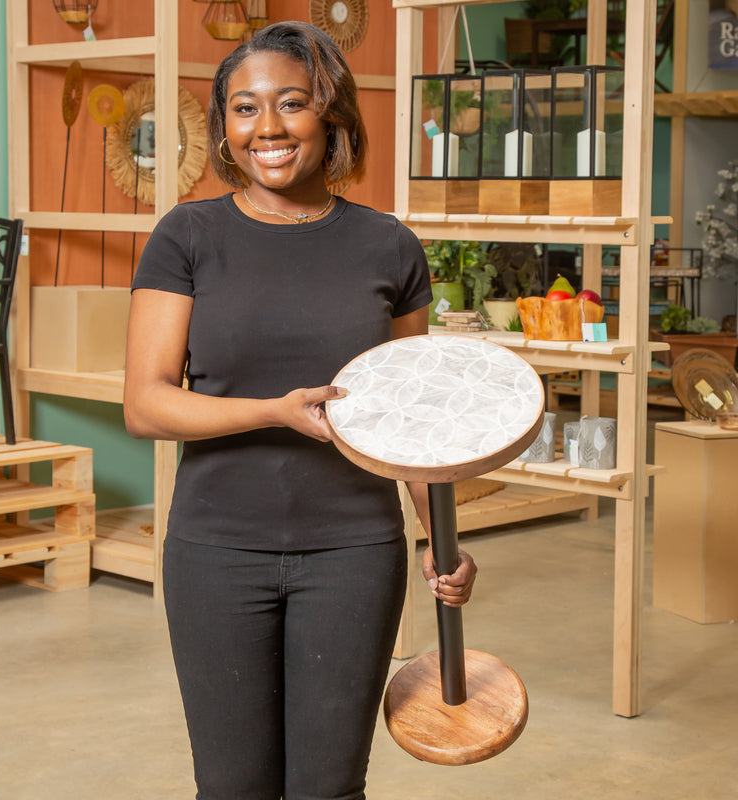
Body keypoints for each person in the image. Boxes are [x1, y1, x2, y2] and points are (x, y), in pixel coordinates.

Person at [124, 20, 476, 800]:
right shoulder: (188, 235)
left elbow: (410, 420)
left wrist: (439, 538)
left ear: (333, 115)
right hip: (217, 551)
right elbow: (146, 404)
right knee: (233, 786)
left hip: (353, 551)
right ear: (224, 127)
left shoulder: (389, 246)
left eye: (291, 103)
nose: (268, 128)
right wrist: (273, 413)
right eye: (245, 109)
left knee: (329, 787)